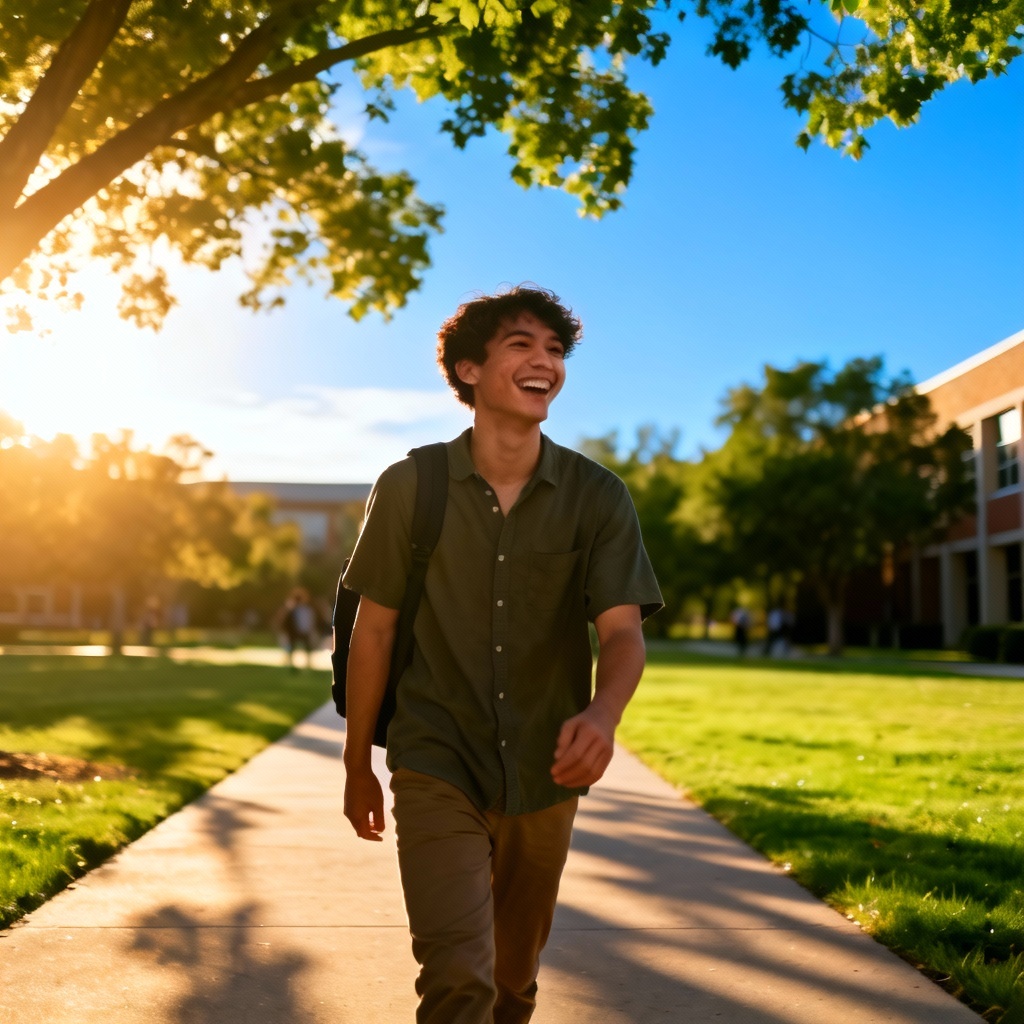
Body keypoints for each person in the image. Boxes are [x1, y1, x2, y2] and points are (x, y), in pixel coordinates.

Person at [340, 285, 663, 1024]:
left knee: (513, 984)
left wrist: (604, 714)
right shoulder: (409, 487)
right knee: (459, 979)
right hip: (435, 757)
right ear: (468, 370)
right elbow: (375, 633)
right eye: (522, 344)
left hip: (544, 775)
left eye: (555, 350)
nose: (544, 361)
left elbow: (621, 632)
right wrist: (359, 761)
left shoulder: (597, 496)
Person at [278, 587, 316, 671]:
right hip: (297, 631)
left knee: (300, 648)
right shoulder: (294, 609)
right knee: (297, 648)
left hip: (298, 631)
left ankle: (298, 664)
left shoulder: (294, 609)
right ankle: (295, 664)